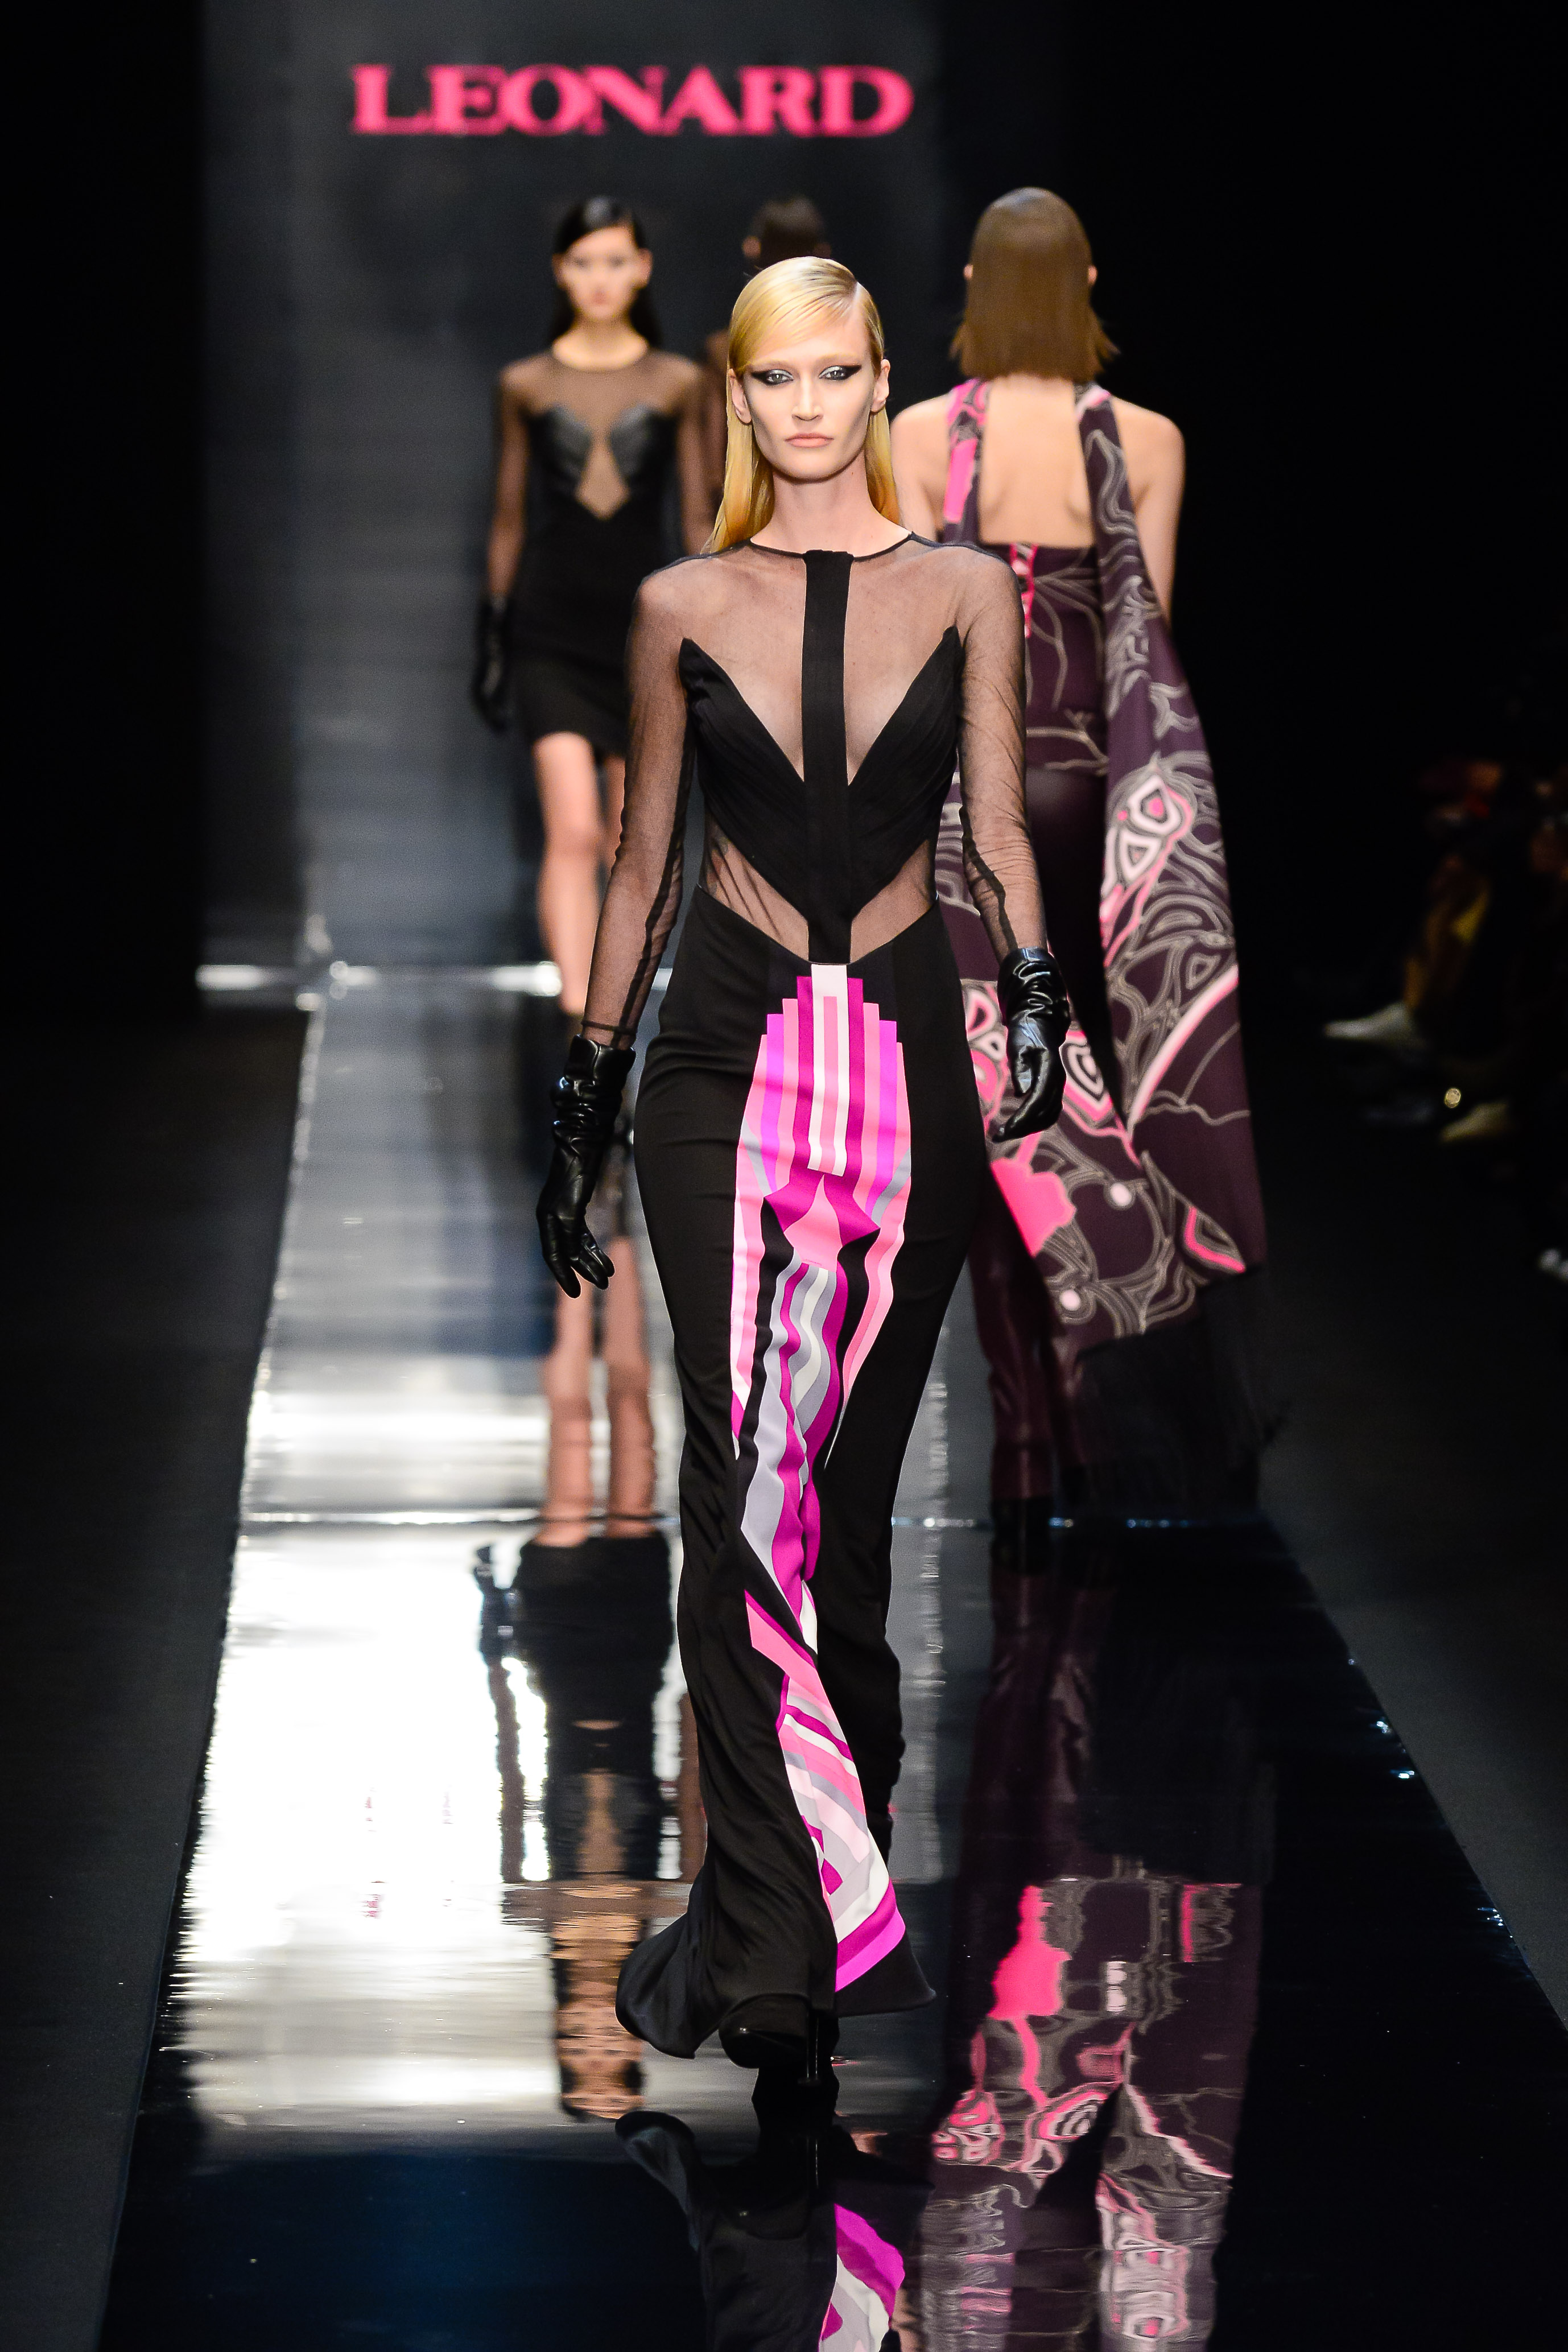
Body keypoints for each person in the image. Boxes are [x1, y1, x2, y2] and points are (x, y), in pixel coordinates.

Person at [533, 257, 1072, 2094]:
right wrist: (584, 1097)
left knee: (835, 1503)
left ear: (878, 378)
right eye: (777, 380)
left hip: (908, 1056)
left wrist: (1037, 991)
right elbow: (639, 863)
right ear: (742, 400)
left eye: (837, 372)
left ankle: (819, 1885)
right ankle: (774, 1945)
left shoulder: (964, 588)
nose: (811, 406)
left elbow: (994, 828)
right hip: (719, 1053)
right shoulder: (679, 601)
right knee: (731, 1472)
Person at [892, 188, 1270, 1527]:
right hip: (1099, 810)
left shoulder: (917, 437)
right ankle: (1106, 1414)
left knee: (994, 1102)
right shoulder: (1147, 439)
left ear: (972, 286)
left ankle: (1022, 1436)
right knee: (1106, 1099)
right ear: (1088, 282)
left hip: (964, 807)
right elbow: (1141, 633)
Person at [472, 198, 712, 1020]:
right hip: (550, 627)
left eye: (615, 261)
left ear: (642, 269)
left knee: (628, 839)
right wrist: (493, 631)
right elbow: (509, 516)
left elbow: (695, 510)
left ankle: (615, 1008)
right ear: (560, 272)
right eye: (583, 262)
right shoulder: (526, 383)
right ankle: (581, 1014)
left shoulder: (677, 381)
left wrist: (714, 621)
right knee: (573, 830)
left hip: (644, 629)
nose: (600, 279)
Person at [698, 196, 832, 510]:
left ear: (752, 248)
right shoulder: (845, 347)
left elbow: (714, 472)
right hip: (828, 506)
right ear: (822, 254)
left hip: (749, 510)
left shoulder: (724, 350)